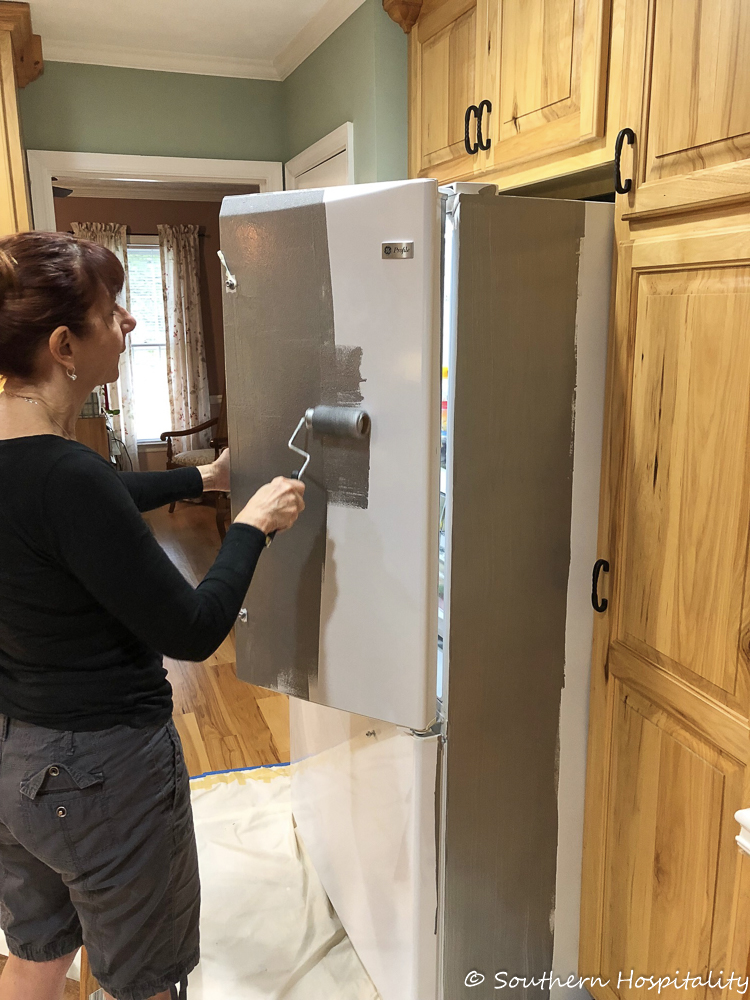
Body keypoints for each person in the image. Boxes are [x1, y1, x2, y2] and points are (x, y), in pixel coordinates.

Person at [0, 231, 305, 1000]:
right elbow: (193, 631)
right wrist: (251, 526)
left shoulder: (36, 462)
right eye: (113, 311)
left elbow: (84, 506)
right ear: (66, 344)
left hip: (13, 758)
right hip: (102, 772)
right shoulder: (68, 476)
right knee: (143, 982)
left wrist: (201, 474)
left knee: (37, 954)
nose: (131, 323)